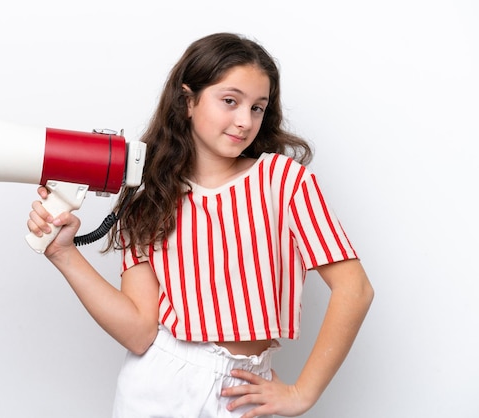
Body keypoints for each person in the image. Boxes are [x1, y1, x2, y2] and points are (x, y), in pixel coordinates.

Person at [27, 32, 374, 418]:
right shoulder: (150, 200)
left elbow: (354, 289)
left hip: (244, 391)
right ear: (188, 100)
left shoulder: (283, 180)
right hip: (160, 386)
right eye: (230, 101)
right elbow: (140, 332)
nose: (245, 121)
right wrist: (63, 253)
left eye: (258, 108)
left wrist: (302, 393)